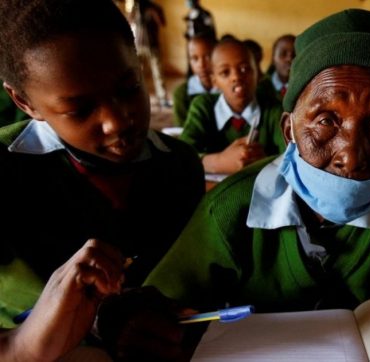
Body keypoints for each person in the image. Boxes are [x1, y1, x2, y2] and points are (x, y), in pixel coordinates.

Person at [97, 9, 370, 359]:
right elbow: (160, 304)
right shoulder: (232, 208)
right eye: (325, 121)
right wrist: (140, 321)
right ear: (288, 129)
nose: (351, 157)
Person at [0, 0, 205, 354]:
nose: (117, 121)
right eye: (80, 109)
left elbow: (189, 277)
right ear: (24, 102)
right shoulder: (7, 171)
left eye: (128, 88)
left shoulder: (180, 165)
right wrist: (95, 319)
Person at [179, 37, 285, 174]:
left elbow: (291, 156)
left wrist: (266, 162)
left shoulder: (274, 110)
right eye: (225, 72)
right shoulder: (203, 106)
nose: (236, 77)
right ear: (214, 81)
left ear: (257, 74)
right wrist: (218, 162)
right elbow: (182, 157)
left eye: (244, 69)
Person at [172, 33, 218, 126]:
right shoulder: (182, 94)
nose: (201, 65)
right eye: (194, 58)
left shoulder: (227, 90)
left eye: (207, 56)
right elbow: (181, 131)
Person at [129, 0, 169, 108]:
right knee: (137, 73)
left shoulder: (156, 8)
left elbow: (163, 23)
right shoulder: (135, 7)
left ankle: (163, 98)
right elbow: (129, 21)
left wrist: (154, 14)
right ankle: (138, 98)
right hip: (138, 45)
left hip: (153, 45)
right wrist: (133, 12)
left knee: (158, 74)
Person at [257, 34, 296, 102]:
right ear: (273, 59)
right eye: (283, 54)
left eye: (295, 54)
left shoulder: (307, 88)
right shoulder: (260, 89)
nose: (289, 59)